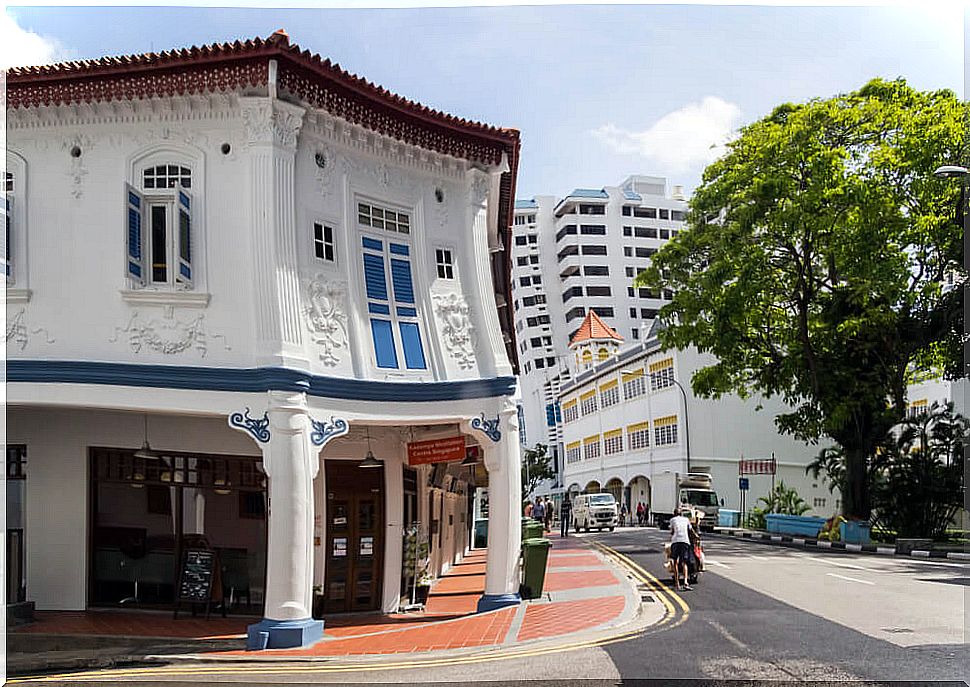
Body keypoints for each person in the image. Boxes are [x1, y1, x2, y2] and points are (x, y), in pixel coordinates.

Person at [669, 506, 693, 591]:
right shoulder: (686, 519)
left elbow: (672, 532)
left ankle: (677, 583)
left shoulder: (672, 520)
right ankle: (686, 582)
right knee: (684, 563)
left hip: (676, 541)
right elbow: (690, 529)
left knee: (675, 561)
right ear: (681, 514)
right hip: (685, 541)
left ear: (674, 514)